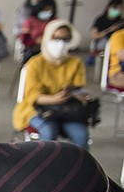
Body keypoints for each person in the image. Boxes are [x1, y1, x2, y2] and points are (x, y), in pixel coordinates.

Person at [12, 20, 90, 150]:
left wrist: (80, 95)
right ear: (47, 38)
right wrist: (56, 98)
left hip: (67, 109)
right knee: (49, 130)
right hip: (35, 109)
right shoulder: (35, 63)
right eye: (56, 38)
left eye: (65, 39)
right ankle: (44, 168)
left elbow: (79, 87)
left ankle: (78, 169)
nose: (60, 43)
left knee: (81, 135)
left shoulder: (75, 63)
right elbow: (33, 97)